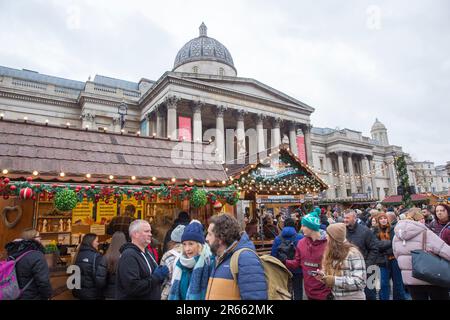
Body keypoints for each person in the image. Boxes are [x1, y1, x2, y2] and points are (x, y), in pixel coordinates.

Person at [205, 214, 267, 300]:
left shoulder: (245, 258)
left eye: (209, 234)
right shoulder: (220, 258)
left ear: (220, 237)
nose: (206, 238)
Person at [393, 208, 450, 300]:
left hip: (411, 279)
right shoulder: (426, 233)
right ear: (421, 219)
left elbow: (397, 255)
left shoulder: (397, 236)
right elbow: (444, 250)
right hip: (431, 277)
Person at [284, 211, 332, 300]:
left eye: (304, 226)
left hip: (325, 293)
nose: (301, 228)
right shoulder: (301, 243)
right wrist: (284, 261)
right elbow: (297, 263)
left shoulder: (328, 243)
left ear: (311, 227)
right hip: (309, 292)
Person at [116, 220, 169, 299]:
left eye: (150, 231)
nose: (150, 234)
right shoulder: (129, 256)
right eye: (146, 231)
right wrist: (157, 277)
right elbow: (133, 287)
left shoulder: (148, 253)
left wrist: (161, 275)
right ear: (135, 234)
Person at [315, 223, 367, 300]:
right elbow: (330, 276)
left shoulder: (353, 253)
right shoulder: (329, 252)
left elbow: (360, 282)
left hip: (353, 297)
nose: (326, 237)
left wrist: (334, 280)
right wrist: (323, 276)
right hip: (335, 296)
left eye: (328, 235)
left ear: (334, 238)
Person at [168, 220, 213, 300]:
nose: (187, 249)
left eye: (191, 244)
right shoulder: (180, 262)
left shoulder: (209, 262)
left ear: (199, 245)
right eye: (184, 244)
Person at [4, 228, 52, 300]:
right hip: (32, 296)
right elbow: (43, 282)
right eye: (38, 236)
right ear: (33, 239)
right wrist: (47, 296)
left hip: (14, 294)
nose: (40, 238)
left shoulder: (14, 253)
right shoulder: (37, 256)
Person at [343, 209, 379, 300]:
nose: (345, 220)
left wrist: (366, 265)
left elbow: (374, 249)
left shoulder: (365, 231)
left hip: (368, 270)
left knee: (370, 295)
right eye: (344, 218)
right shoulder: (342, 231)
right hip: (349, 270)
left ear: (354, 218)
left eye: (347, 218)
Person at [373, 212, 406, 300]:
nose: (383, 220)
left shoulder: (393, 229)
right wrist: (389, 243)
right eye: (381, 218)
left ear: (387, 219)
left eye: (385, 218)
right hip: (382, 260)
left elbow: (396, 243)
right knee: (383, 283)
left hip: (394, 258)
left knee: (398, 283)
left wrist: (385, 246)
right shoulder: (375, 231)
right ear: (378, 220)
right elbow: (376, 245)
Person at [271, 217, 304, 300]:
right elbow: (304, 254)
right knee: (298, 290)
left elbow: (273, 255)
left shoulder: (277, 239)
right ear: (294, 226)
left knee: (284, 290)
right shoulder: (300, 237)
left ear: (284, 226)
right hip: (297, 269)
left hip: (283, 269)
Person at [96, 231, 127, 299]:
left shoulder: (107, 257)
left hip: (110, 294)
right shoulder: (129, 257)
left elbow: (100, 280)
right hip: (126, 294)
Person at [72, 233, 103, 300]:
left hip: (78, 292)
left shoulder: (77, 255)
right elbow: (100, 278)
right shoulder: (96, 256)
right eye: (97, 241)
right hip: (92, 293)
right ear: (91, 242)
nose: (98, 243)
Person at [159, 224, 185, 300]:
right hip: (186, 292)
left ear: (172, 240)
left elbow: (162, 278)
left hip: (169, 293)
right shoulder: (191, 253)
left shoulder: (167, 255)